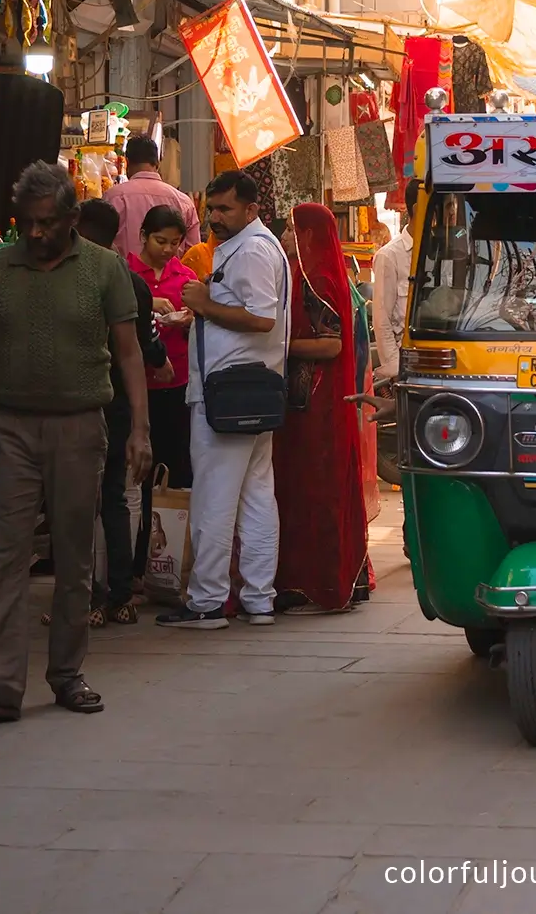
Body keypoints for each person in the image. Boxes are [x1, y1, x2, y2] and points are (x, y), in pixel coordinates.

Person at [0, 163, 150, 718]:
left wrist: (139, 429)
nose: (34, 234)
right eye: (26, 224)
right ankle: (2, 686)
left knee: (75, 557)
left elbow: (129, 354)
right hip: (8, 426)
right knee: (5, 558)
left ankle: (66, 674)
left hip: (80, 426)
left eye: (46, 223)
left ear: (71, 218)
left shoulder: (104, 269)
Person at [156, 171, 289, 629]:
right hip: (248, 387)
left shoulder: (252, 248)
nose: (215, 218)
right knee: (255, 497)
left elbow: (261, 318)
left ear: (251, 209)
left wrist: (204, 304)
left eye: (225, 209)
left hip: (231, 392)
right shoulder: (253, 245)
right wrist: (200, 314)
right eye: (211, 209)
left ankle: (208, 601)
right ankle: (258, 599)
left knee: (215, 497)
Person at [273, 204, 370, 613]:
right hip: (311, 399)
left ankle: (321, 578)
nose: (284, 238)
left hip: (315, 402)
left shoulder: (320, 280)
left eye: (292, 230)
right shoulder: (314, 274)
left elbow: (331, 345)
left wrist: (276, 345)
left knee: (314, 485)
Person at [77, 199, 168, 627]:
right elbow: (145, 345)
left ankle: (88, 598)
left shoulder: (76, 276)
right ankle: (118, 595)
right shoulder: (133, 282)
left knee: (79, 505)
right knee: (115, 500)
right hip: (118, 405)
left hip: (84, 403)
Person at [128, 206, 196, 489]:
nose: (169, 249)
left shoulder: (185, 276)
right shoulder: (126, 273)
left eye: (175, 242)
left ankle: (172, 526)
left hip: (177, 378)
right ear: (143, 236)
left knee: (175, 458)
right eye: (161, 241)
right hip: (136, 381)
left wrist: (189, 320)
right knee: (138, 465)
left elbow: (197, 322)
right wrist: (146, 302)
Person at [104, 134, 201, 260]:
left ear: (127, 162)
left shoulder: (113, 197)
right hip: (170, 279)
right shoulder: (184, 202)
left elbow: (100, 247)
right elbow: (193, 255)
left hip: (124, 278)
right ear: (157, 163)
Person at [372, 178, 418, 382]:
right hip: (404, 364)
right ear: (420, 208)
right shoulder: (389, 256)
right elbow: (382, 319)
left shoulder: (445, 251)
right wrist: (395, 370)